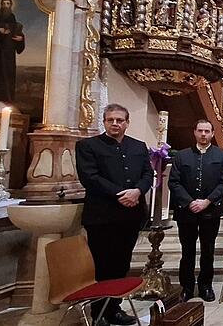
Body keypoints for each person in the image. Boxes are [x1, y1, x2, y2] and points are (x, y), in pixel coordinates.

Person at [75, 104, 153, 326]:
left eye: (120, 120)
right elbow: (90, 177)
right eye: (111, 120)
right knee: (101, 266)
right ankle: (98, 313)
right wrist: (121, 194)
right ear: (104, 122)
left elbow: (148, 173)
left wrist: (138, 191)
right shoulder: (88, 146)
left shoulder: (138, 146)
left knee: (121, 264)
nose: (115, 124)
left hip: (131, 216)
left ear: (127, 123)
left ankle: (114, 309)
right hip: (103, 216)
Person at [168, 120, 223, 302]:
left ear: (212, 133)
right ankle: (187, 287)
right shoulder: (182, 156)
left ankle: (205, 285)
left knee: (208, 249)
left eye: (207, 131)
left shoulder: (221, 155)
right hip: (186, 211)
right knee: (187, 251)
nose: (203, 134)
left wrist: (207, 201)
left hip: (210, 210)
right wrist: (189, 202)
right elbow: (174, 182)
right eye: (200, 131)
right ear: (194, 132)